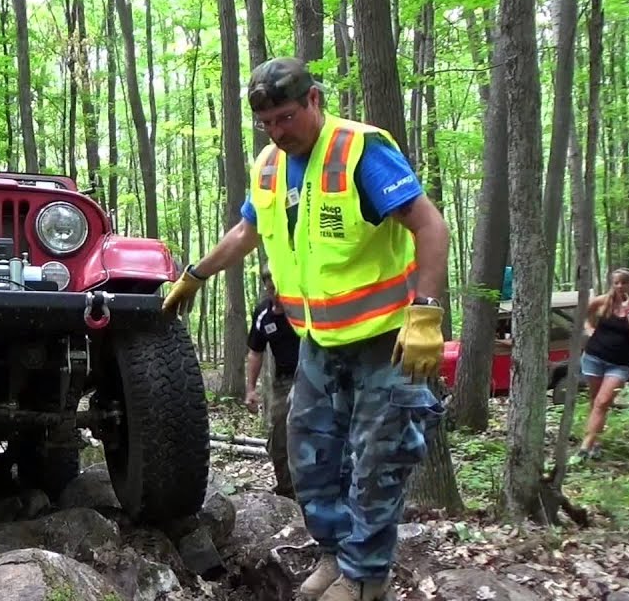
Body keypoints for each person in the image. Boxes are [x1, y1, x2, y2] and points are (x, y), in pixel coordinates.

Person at [162, 57, 451, 601]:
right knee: (311, 457)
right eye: (267, 122)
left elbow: (429, 224)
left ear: (314, 100)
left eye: (287, 117)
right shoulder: (269, 165)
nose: (278, 131)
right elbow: (248, 230)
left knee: (376, 463)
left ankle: (366, 577)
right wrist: (196, 274)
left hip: (384, 341)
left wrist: (427, 312)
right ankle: (332, 556)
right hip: (316, 343)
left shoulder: (360, 150)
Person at [576, 268, 629, 460]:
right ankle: (596, 442)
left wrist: (628, 311)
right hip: (593, 357)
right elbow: (585, 313)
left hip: (619, 365)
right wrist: (589, 328)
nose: (619, 286)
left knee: (602, 402)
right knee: (595, 401)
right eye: (616, 282)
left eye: (624, 282)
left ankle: (585, 447)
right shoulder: (604, 301)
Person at [246, 270, 298, 499]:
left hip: (313, 376)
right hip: (283, 381)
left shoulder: (303, 308)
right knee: (278, 438)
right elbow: (255, 353)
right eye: (270, 289)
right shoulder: (263, 315)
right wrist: (250, 389)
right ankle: (286, 491)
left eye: (279, 288)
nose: (275, 294)